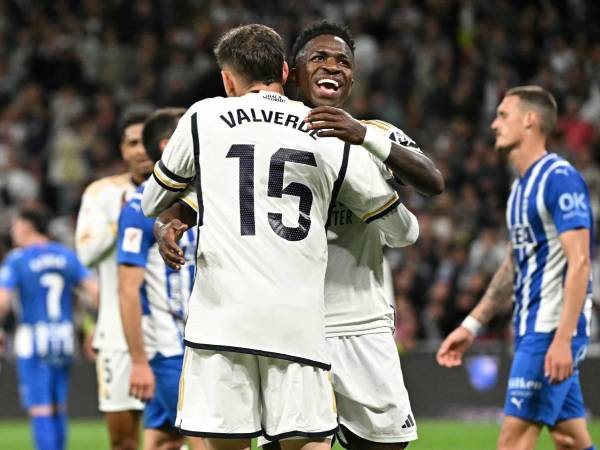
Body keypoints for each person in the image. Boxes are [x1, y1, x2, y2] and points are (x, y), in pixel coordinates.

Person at [155, 22, 443, 450]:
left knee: (384, 445)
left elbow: (432, 179)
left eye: (343, 61)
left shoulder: (371, 132)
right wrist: (167, 222)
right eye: (320, 58)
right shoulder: (258, 131)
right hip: (286, 324)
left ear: (353, 76)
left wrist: (364, 136)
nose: (332, 67)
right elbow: (197, 193)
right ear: (291, 71)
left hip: (358, 321)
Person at [436, 86, 595, 450]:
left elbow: (581, 262)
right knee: (570, 439)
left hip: (550, 331)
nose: (494, 124)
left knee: (512, 442)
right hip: (531, 328)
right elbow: (512, 266)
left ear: (530, 120)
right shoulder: (519, 191)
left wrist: (561, 339)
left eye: (503, 115)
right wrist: (471, 325)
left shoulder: (560, 178)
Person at [117, 108, 200, 450]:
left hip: (190, 341)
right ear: (171, 145)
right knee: (207, 439)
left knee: (163, 439)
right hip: (169, 347)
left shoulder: (197, 197)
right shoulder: (142, 207)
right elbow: (127, 290)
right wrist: (139, 362)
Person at [75, 108, 153, 450]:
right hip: (118, 333)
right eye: (132, 143)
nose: (139, 150)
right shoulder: (101, 193)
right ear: (123, 150)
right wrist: (121, 220)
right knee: (123, 440)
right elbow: (86, 255)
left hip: (175, 329)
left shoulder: (187, 192)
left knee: (179, 437)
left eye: (145, 141)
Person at [0, 207, 98, 450]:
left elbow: (2, 301)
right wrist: (95, 327)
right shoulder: (66, 256)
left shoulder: (18, 259)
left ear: (26, 226)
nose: (13, 231)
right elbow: (95, 292)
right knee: (58, 405)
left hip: (34, 340)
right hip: (64, 339)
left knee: (40, 407)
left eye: (15, 225)